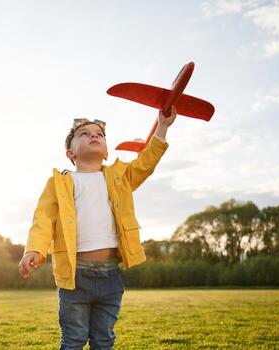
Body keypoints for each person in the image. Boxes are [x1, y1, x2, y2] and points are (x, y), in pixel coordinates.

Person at [18, 105, 178, 349]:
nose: (94, 135)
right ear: (70, 153)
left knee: (104, 340)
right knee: (73, 339)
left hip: (111, 275)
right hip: (74, 276)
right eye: (84, 133)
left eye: (99, 134)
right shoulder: (59, 183)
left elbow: (145, 163)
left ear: (105, 152)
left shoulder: (120, 177)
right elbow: (43, 219)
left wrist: (162, 127)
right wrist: (35, 250)